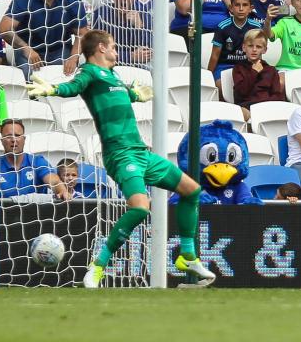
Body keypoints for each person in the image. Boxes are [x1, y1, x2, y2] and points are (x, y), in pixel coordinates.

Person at [25, 30, 216, 287]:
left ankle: (188, 256)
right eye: (113, 47)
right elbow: (74, 86)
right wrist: (53, 88)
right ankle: (98, 265)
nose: (117, 51)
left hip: (141, 152)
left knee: (192, 191)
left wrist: (136, 95)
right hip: (120, 153)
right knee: (140, 207)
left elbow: (123, 93)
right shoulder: (90, 72)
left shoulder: (112, 75)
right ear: (101, 48)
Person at [0, 0, 88, 77]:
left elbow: (82, 34)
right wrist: (26, 49)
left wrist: (73, 58)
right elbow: (4, 29)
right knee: (30, 77)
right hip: (29, 49)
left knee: (63, 77)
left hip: (59, 49)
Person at [0, 118, 71, 200]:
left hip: (37, 216)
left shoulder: (37, 162)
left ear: (24, 139)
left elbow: (54, 181)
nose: (13, 140)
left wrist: (62, 191)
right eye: (8, 136)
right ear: (2, 140)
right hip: (5, 217)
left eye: (17, 135)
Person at [208, 0, 262, 82]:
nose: (241, 9)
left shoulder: (256, 27)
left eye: (245, 5)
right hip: (224, 67)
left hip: (247, 67)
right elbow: (215, 55)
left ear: (251, 8)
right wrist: (207, 78)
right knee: (221, 87)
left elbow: (258, 53)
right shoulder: (222, 26)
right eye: (237, 5)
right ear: (231, 8)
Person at [232, 28, 285, 120]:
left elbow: (277, 95)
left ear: (264, 50)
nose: (254, 50)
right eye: (250, 46)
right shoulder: (239, 68)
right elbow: (241, 93)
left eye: (259, 47)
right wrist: (254, 72)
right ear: (244, 47)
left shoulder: (271, 70)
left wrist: (264, 106)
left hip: (267, 107)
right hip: (247, 107)